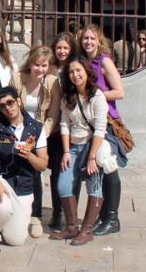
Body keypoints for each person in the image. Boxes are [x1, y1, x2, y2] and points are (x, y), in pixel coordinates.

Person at [0, 86, 48, 254]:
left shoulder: (36, 128)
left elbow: (43, 164)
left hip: (23, 184)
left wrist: (29, 156)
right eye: (2, 106)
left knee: (16, 240)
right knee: (1, 208)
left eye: (10, 102)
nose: (7, 108)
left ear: (18, 101)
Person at [50, 55, 106, 245]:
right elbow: (65, 124)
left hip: (92, 146)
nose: (75, 75)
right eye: (71, 72)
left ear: (87, 71)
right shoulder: (69, 96)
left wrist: (92, 157)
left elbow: (100, 128)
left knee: (94, 186)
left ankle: (87, 230)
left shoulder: (97, 96)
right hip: (73, 147)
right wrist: (66, 151)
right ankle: (72, 227)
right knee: (63, 185)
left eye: (78, 70)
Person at [79, 24, 125, 236]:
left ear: (99, 40)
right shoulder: (83, 62)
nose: (88, 42)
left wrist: (95, 95)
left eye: (92, 38)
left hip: (105, 121)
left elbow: (119, 92)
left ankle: (113, 218)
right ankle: (105, 215)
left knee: (107, 163)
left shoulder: (104, 61)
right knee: (99, 165)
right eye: (85, 38)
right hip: (89, 120)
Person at [14, 46, 61, 238]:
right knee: (17, 170)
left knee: (34, 171)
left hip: (41, 132)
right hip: (18, 129)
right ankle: (17, 212)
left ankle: (35, 216)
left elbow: (53, 113)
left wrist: (39, 137)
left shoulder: (51, 82)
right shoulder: (19, 78)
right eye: (36, 65)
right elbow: (11, 104)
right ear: (30, 63)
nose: (40, 69)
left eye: (44, 66)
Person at [47, 32, 77, 231]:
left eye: (66, 48)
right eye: (59, 48)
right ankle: (57, 211)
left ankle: (70, 214)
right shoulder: (49, 67)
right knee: (55, 171)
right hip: (52, 127)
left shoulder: (75, 67)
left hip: (71, 126)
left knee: (68, 172)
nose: (62, 51)